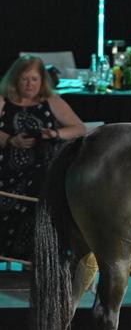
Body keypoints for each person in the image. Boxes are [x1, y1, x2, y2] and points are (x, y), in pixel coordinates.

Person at [0, 55, 85, 261]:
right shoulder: (3, 101)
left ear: (42, 81)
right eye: (24, 79)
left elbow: (79, 128)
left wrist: (54, 135)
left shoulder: (52, 101)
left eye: (34, 79)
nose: (29, 85)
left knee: (45, 185)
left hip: (45, 166)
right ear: (15, 80)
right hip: (9, 167)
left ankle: (41, 256)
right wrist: (12, 140)